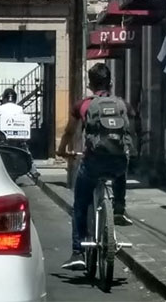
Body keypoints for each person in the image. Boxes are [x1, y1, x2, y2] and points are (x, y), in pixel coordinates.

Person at [57, 63, 134, 271]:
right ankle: (119, 208)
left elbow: (69, 132)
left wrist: (62, 150)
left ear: (90, 84)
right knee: (121, 164)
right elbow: (131, 130)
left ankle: (78, 252)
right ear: (110, 83)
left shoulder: (83, 105)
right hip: (118, 163)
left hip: (93, 163)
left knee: (80, 204)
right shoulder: (122, 104)